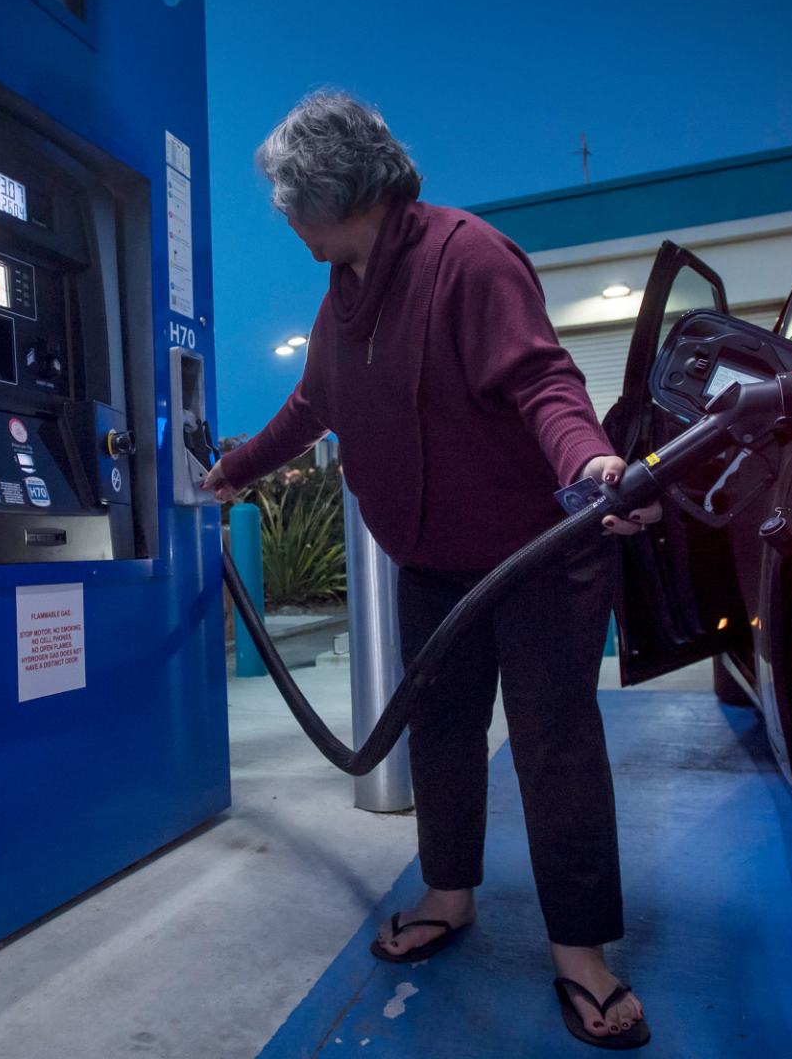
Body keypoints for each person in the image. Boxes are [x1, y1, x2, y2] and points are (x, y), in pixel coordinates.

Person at [204, 91, 661, 1050]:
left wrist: (589, 465)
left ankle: (581, 954)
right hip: (433, 567)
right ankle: (449, 895)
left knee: (554, 745)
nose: (284, 219)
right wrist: (236, 470)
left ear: (331, 194)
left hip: (534, 559)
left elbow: (544, 381)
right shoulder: (344, 290)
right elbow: (309, 408)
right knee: (444, 738)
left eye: (289, 201)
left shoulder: (467, 259)